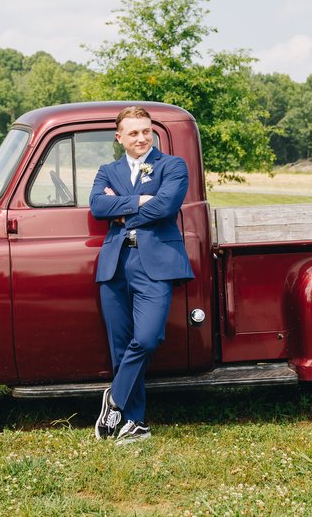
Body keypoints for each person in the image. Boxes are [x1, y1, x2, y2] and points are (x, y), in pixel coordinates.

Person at [89, 106, 194, 445]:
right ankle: (134, 423)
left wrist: (121, 209)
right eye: (133, 133)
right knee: (120, 348)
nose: (141, 138)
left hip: (156, 265)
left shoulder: (173, 165)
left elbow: (166, 206)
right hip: (115, 265)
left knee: (148, 338)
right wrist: (139, 200)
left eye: (146, 131)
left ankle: (114, 400)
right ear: (119, 138)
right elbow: (97, 206)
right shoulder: (107, 171)